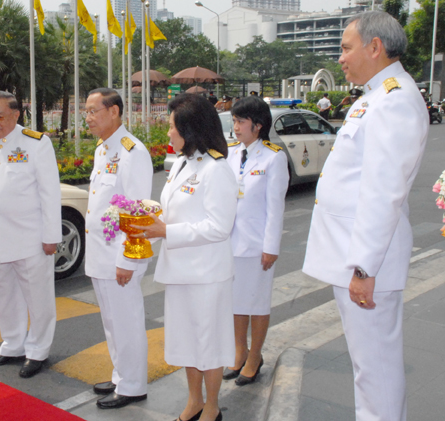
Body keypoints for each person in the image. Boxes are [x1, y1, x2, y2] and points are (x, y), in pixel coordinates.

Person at [303, 11, 428, 421]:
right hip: (355, 253)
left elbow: (383, 192)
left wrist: (364, 267)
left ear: (375, 47)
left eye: (346, 48)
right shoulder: (375, 97)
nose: (340, 58)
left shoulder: (394, 100)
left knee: (376, 372)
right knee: (368, 369)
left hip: (368, 259)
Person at [134, 93, 238, 421]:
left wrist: (167, 231)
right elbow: (176, 210)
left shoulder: (216, 169)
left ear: (190, 129)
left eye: (172, 126)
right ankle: (194, 401)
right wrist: (151, 220)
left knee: (208, 343)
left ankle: (212, 407)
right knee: (186, 342)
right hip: (179, 269)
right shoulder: (182, 163)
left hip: (207, 274)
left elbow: (219, 227)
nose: (168, 132)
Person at [0, 91, 62, 378]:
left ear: (16, 114)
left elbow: (50, 193)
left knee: (38, 298)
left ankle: (38, 350)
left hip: (29, 237)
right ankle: (12, 344)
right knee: (4, 294)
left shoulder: (36, 143)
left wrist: (51, 236)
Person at [84, 88, 153, 409]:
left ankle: (133, 385)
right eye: (86, 112)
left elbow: (138, 211)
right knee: (112, 322)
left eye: (93, 111)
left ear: (113, 112)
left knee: (126, 322)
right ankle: (121, 375)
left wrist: (128, 259)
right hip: (101, 254)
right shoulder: (104, 149)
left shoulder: (132, 151)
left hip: (119, 257)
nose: (88, 118)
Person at [223, 96, 289, 385]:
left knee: (258, 303)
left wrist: (270, 247)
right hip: (230, 242)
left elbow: (276, 208)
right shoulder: (231, 153)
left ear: (258, 125)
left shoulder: (274, 157)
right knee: (236, 301)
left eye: (241, 121)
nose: (236, 127)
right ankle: (240, 351)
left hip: (257, 244)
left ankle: (255, 356)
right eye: (234, 121)